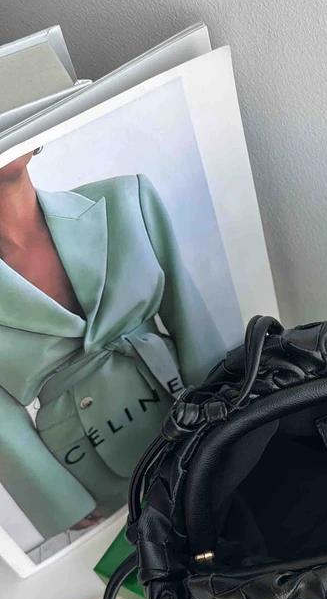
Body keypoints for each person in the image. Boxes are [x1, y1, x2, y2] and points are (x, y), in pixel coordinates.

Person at [0, 151, 225, 539]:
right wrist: (57, 499)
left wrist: (229, 405)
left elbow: (187, 311)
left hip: (185, 407)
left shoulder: (124, 199)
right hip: (88, 466)